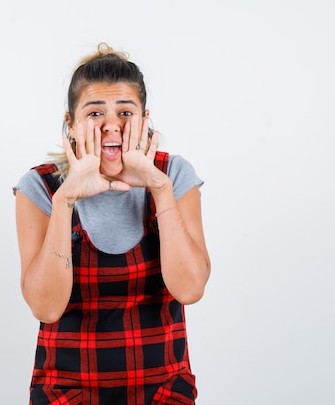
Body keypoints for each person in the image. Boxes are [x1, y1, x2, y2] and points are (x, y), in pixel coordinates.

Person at [13, 43, 211, 405]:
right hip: (67, 395)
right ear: (70, 124)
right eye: (94, 113)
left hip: (162, 393)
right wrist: (66, 200)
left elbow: (190, 289)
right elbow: (45, 307)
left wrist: (159, 188)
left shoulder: (173, 175)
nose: (111, 126)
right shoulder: (41, 188)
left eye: (125, 111)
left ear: (145, 120)